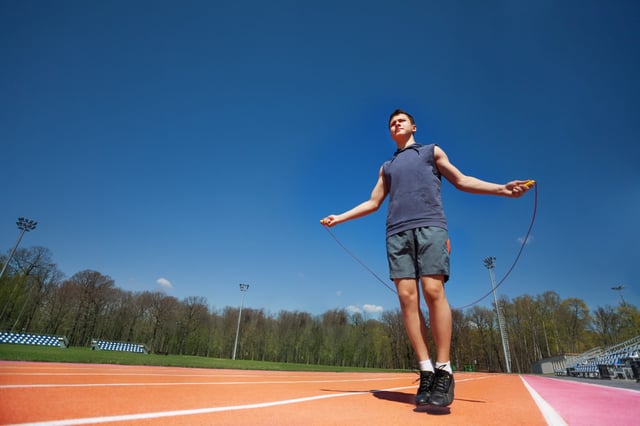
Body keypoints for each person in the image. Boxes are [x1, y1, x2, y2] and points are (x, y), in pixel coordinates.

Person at [320, 109, 533, 407]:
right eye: (392, 123)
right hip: (396, 233)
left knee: (433, 291)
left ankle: (444, 369)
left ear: (413, 126)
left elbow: (461, 180)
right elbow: (373, 202)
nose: (396, 124)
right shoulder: (387, 166)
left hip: (431, 226)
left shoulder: (431, 151)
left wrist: (501, 189)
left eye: (401, 120)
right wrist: (340, 217)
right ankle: (426, 370)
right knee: (407, 299)